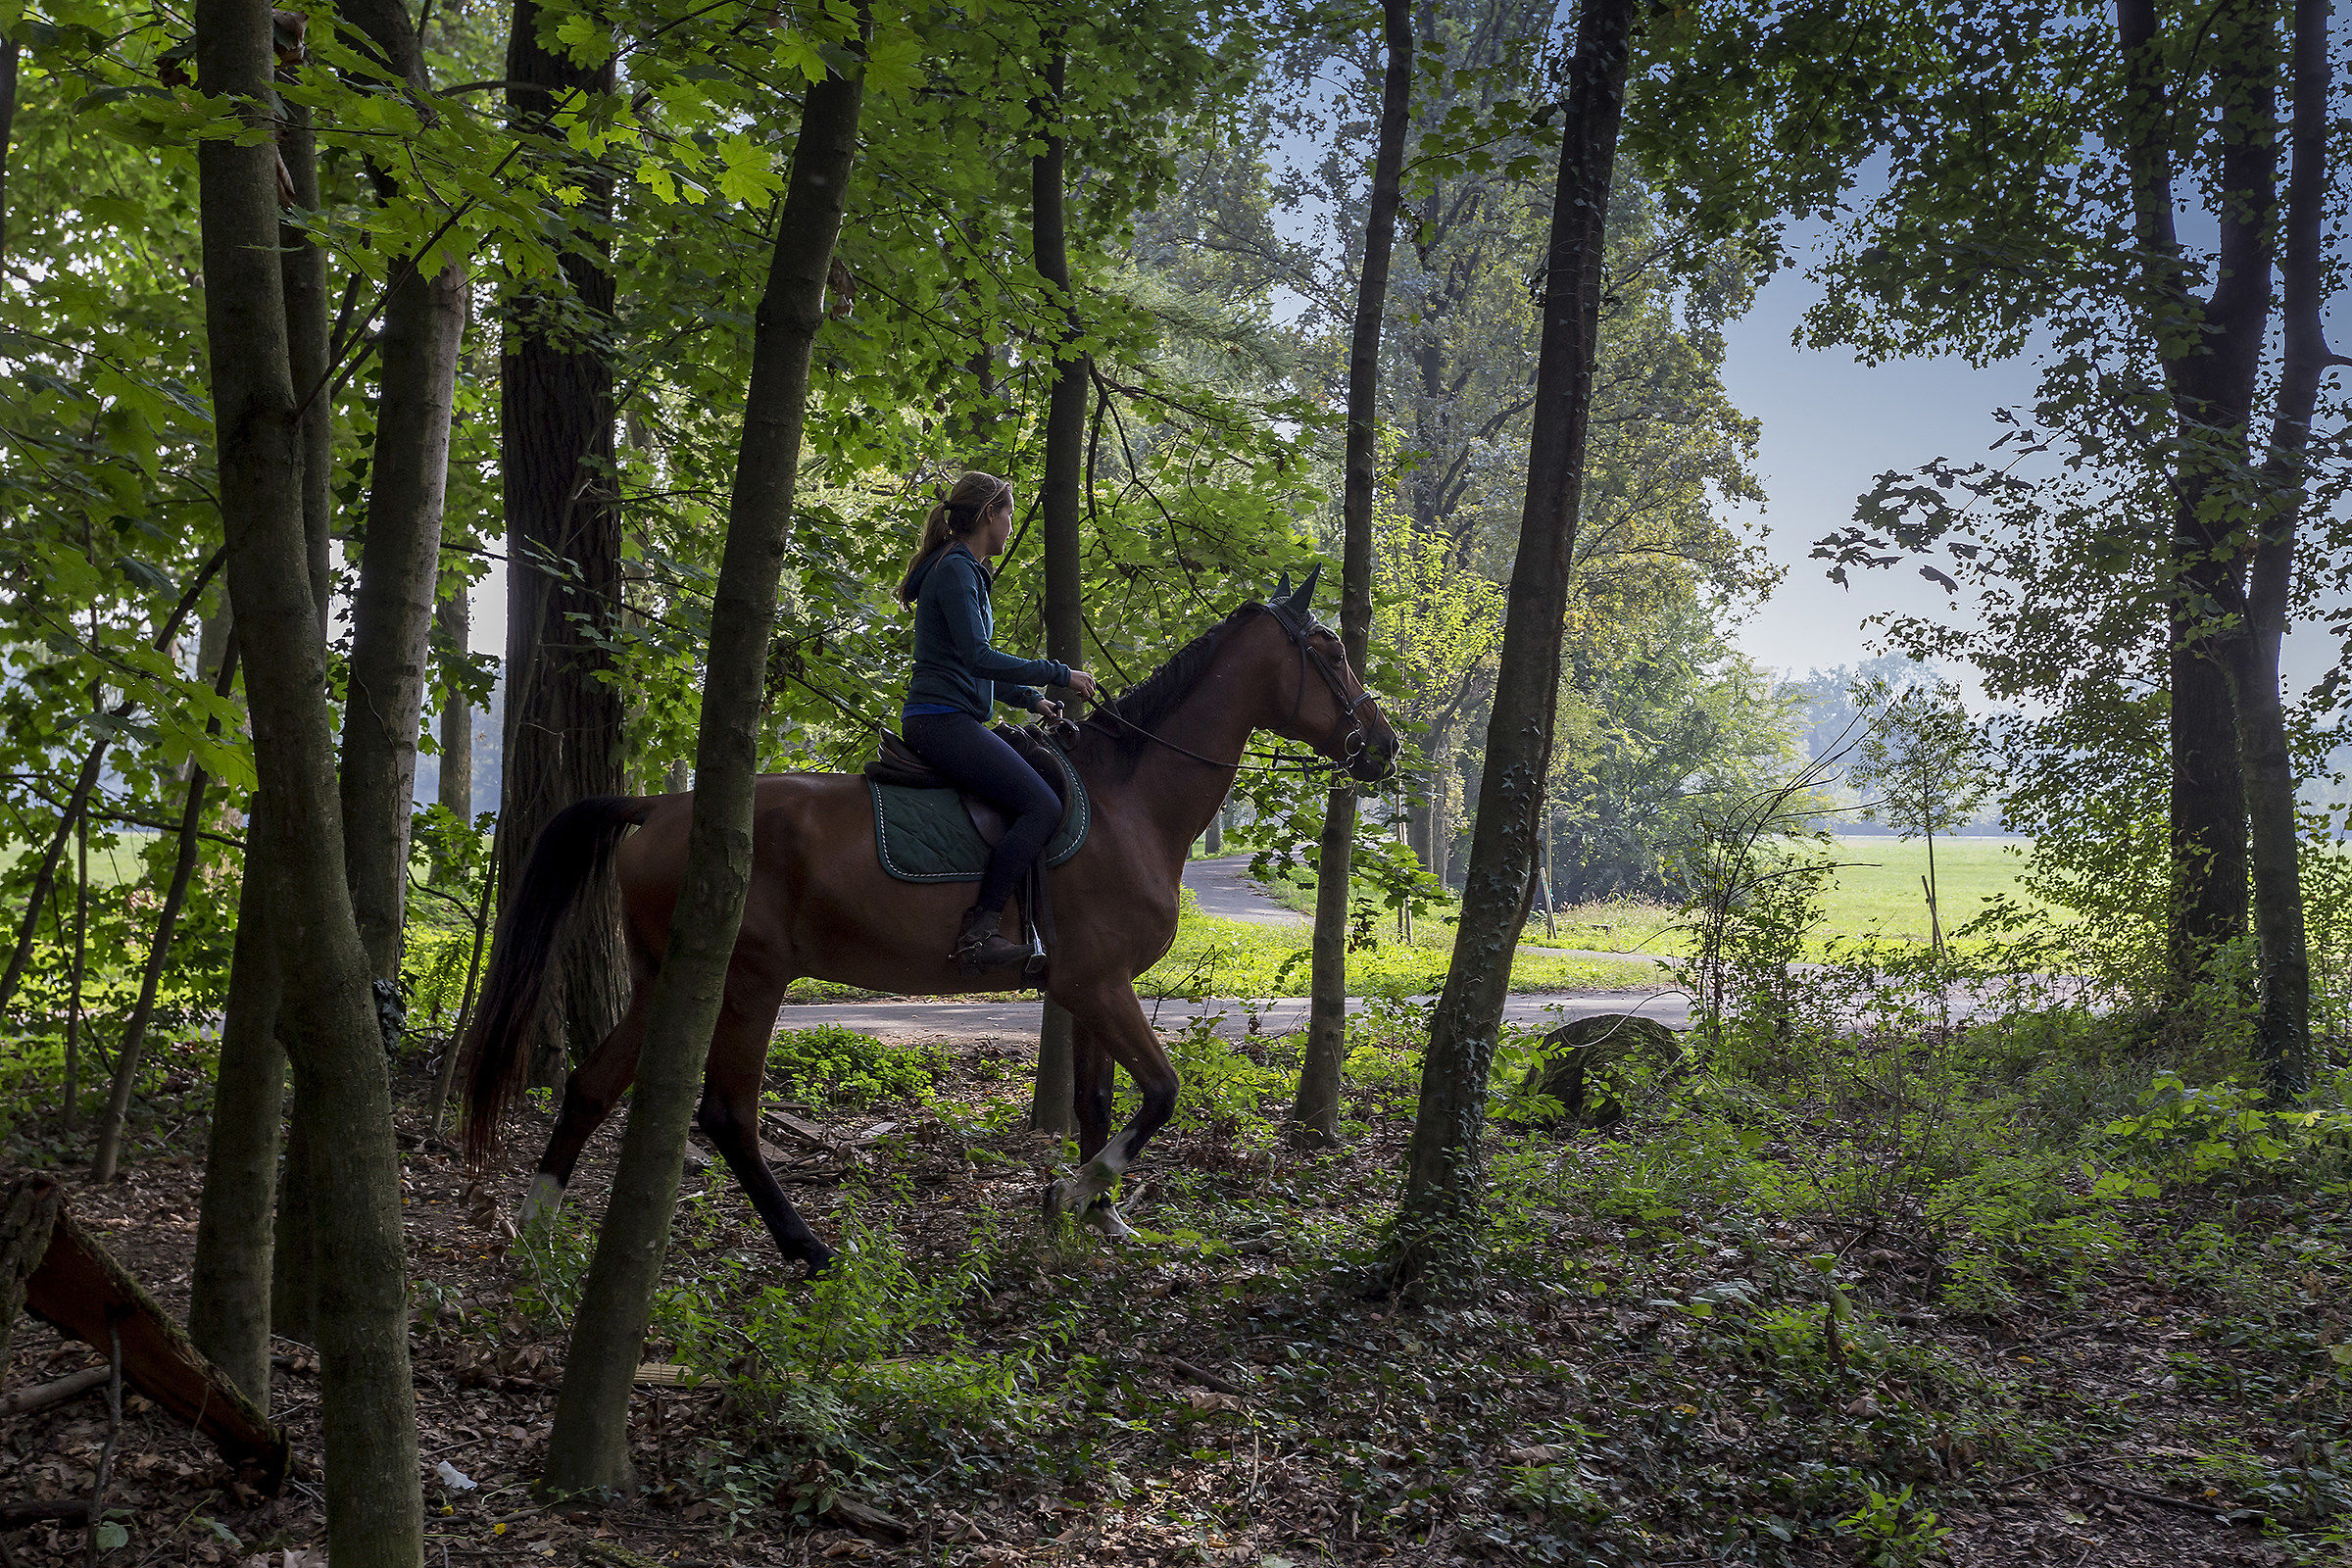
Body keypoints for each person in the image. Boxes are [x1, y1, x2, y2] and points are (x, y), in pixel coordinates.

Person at [898, 470, 1100, 970]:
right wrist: (1060, 675)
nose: (1012, 524)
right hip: (941, 721)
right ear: (990, 514)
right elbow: (977, 656)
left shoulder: (963, 568)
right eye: (1009, 513)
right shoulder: (956, 569)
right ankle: (981, 930)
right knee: (1041, 805)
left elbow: (971, 664)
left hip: (954, 716)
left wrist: (1030, 699)